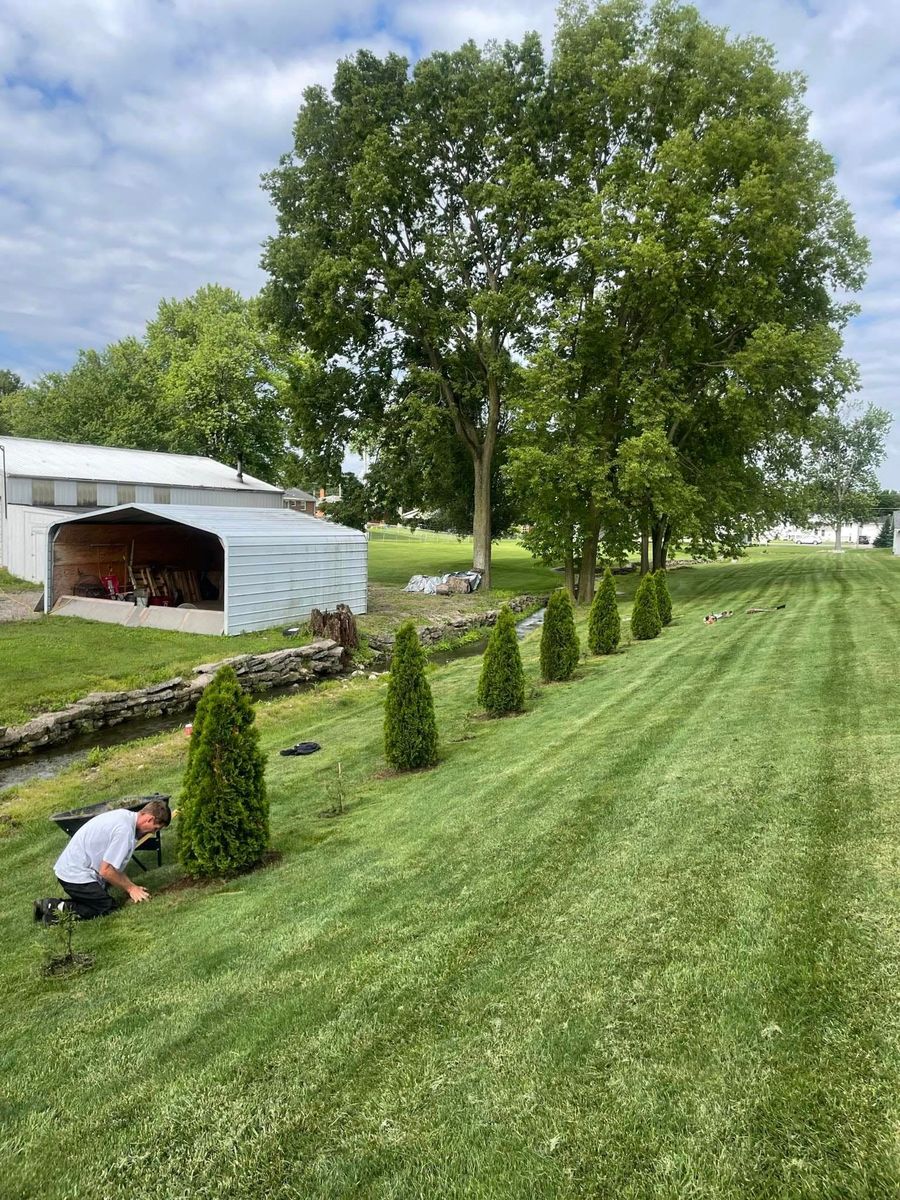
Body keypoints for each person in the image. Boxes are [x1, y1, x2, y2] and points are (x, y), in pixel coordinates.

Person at [35, 798, 172, 923]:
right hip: (74, 875)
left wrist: (131, 886)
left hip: (73, 868)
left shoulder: (124, 816)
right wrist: (131, 889)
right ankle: (53, 907)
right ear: (149, 819)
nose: (153, 833)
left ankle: (51, 910)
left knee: (100, 898)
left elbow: (113, 868)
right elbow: (106, 871)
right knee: (107, 908)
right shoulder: (124, 831)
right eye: (155, 828)